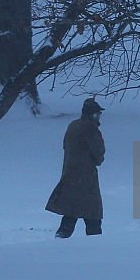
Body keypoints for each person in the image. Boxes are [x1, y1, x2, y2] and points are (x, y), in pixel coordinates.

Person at [46, 98, 106, 237]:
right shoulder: (91, 128)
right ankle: (95, 242)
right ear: (93, 114)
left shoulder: (73, 125)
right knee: (92, 214)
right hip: (86, 176)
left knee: (71, 211)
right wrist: (98, 159)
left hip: (70, 174)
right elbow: (98, 152)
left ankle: (62, 237)